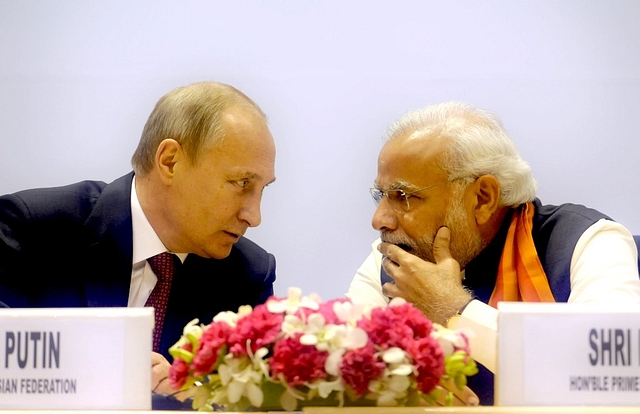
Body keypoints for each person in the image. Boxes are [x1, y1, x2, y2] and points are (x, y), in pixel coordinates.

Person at [0, 81, 277, 405]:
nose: (254, 216)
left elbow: (265, 401)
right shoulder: (33, 227)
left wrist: (199, 395)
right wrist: (105, 369)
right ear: (170, 161)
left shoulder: (247, 276)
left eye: (262, 189)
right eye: (241, 183)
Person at [346, 101, 640, 405]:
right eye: (381, 195)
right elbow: (339, 367)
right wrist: (400, 387)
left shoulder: (587, 241)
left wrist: (455, 308)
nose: (379, 219)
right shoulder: (394, 260)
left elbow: (612, 373)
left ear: (483, 198)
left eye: (403, 196)